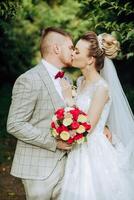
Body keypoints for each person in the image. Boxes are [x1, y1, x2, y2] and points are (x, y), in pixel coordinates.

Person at [60, 31, 134, 200]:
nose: (72, 53)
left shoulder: (102, 87)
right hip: (78, 149)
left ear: (90, 59)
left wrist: (68, 99)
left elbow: (88, 126)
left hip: (93, 152)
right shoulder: (80, 82)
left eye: (77, 51)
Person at [7, 27, 74, 200]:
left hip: (69, 167)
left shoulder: (68, 80)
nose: (73, 51)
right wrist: (54, 142)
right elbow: (15, 123)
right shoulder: (29, 79)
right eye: (70, 47)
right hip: (37, 169)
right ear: (57, 49)